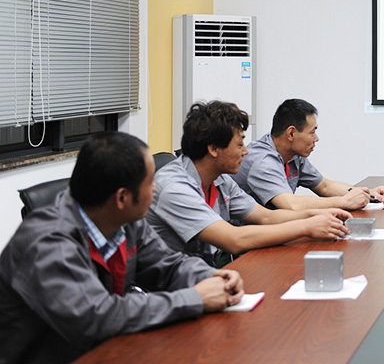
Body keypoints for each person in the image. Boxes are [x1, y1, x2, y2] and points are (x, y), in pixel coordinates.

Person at [0, 132, 244, 364]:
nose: (155, 189)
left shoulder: (124, 222)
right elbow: (97, 317)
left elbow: (167, 265)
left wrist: (211, 277)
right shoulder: (47, 243)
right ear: (122, 198)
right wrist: (194, 298)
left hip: (110, 348)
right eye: (149, 183)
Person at [147, 101, 350, 267]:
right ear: (214, 149)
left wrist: (320, 215)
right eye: (239, 144)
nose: (245, 151)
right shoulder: (174, 188)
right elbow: (233, 240)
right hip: (168, 287)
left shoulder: (220, 179)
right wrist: (306, 226)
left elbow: (267, 217)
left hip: (202, 271)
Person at [234, 98, 384, 211]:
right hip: (246, 238)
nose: (316, 138)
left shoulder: (293, 155)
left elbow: (324, 186)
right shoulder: (262, 161)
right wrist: (344, 201)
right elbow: (292, 205)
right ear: (291, 133)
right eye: (312, 132)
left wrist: (368, 194)